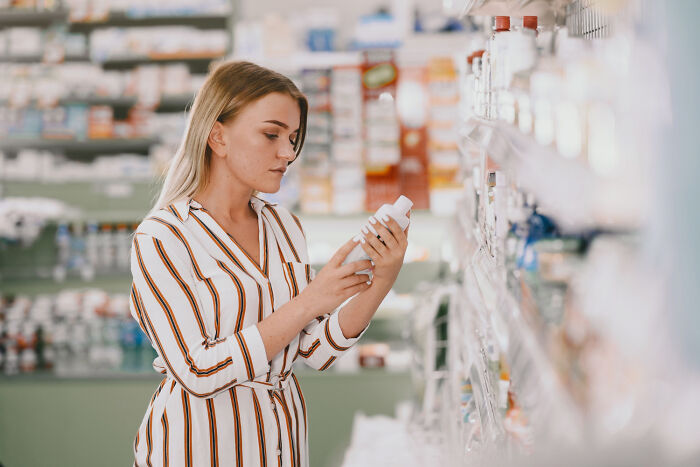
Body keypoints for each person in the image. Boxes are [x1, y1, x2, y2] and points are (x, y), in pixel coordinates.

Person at [129, 61, 410, 466]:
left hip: (281, 443)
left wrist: (381, 278)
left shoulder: (283, 225)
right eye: (271, 134)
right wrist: (310, 301)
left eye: (293, 138)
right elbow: (197, 370)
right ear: (217, 136)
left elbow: (314, 349)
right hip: (198, 449)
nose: (288, 152)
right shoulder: (162, 237)